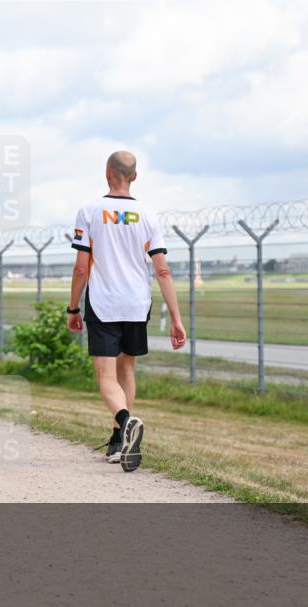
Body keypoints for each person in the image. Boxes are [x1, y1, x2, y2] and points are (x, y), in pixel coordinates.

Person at [66, 151, 187, 472]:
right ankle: (119, 441)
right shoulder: (147, 215)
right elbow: (163, 270)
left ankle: (125, 421)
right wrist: (176, 318)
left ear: (107, 173)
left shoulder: (89, 211)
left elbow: (81, 269)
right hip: (137, 304)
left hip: (104, 302)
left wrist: (73, 307)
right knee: (127, 372)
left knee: (106, 377)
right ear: (134, 176)